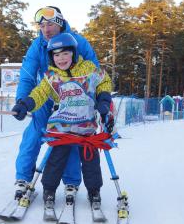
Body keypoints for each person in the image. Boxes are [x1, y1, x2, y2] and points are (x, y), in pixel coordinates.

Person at [12, 32, 113, 208]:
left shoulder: (88, 68)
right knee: (55, 159)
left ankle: (94, 192)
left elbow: (104, 81)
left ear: (73, 53)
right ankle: (49, 191)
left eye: (65, 53)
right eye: (56, 55)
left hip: (86, 127)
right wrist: (25, 104)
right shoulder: (52, 77)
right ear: (51, 57)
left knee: (91, 162)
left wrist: (103, 100)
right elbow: (40, 93)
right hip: (62, 128)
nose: (61, 58)